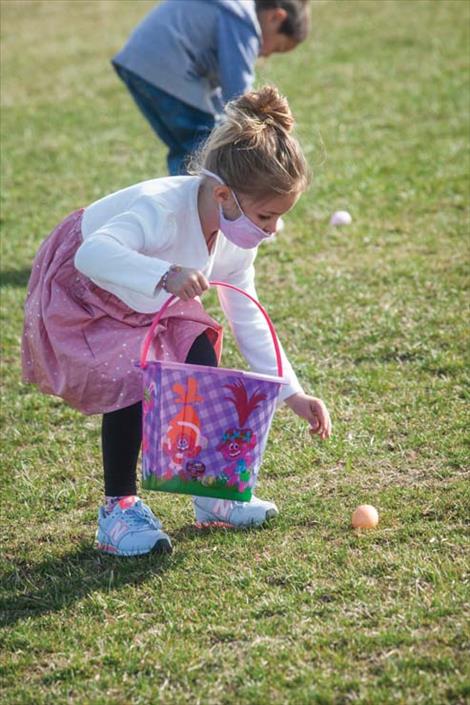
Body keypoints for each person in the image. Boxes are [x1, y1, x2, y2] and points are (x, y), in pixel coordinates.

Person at [22, 85, 331, 557]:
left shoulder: (231, 235)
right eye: (266, 216)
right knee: (130, 376)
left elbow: (245, 311)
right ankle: (118, 510)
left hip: (153, 293)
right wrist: (164, 275)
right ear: (224, 195)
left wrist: (292, 393)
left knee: (199, 359)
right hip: (91, 288)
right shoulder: (163, 210)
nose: (271, 231)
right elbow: (93, 254)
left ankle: (212, 494)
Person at [112, 0, 310, 175]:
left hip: (136, 65)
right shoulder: (243, 21)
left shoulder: (230, 7)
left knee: (186, 151)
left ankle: (180, 206)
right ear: (276, 17)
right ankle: (200, 211)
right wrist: (261, 133)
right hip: (168, 70)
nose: (266, 55)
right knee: (207, 151)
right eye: (277, 48)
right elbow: (238, 92)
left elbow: (217, 93)